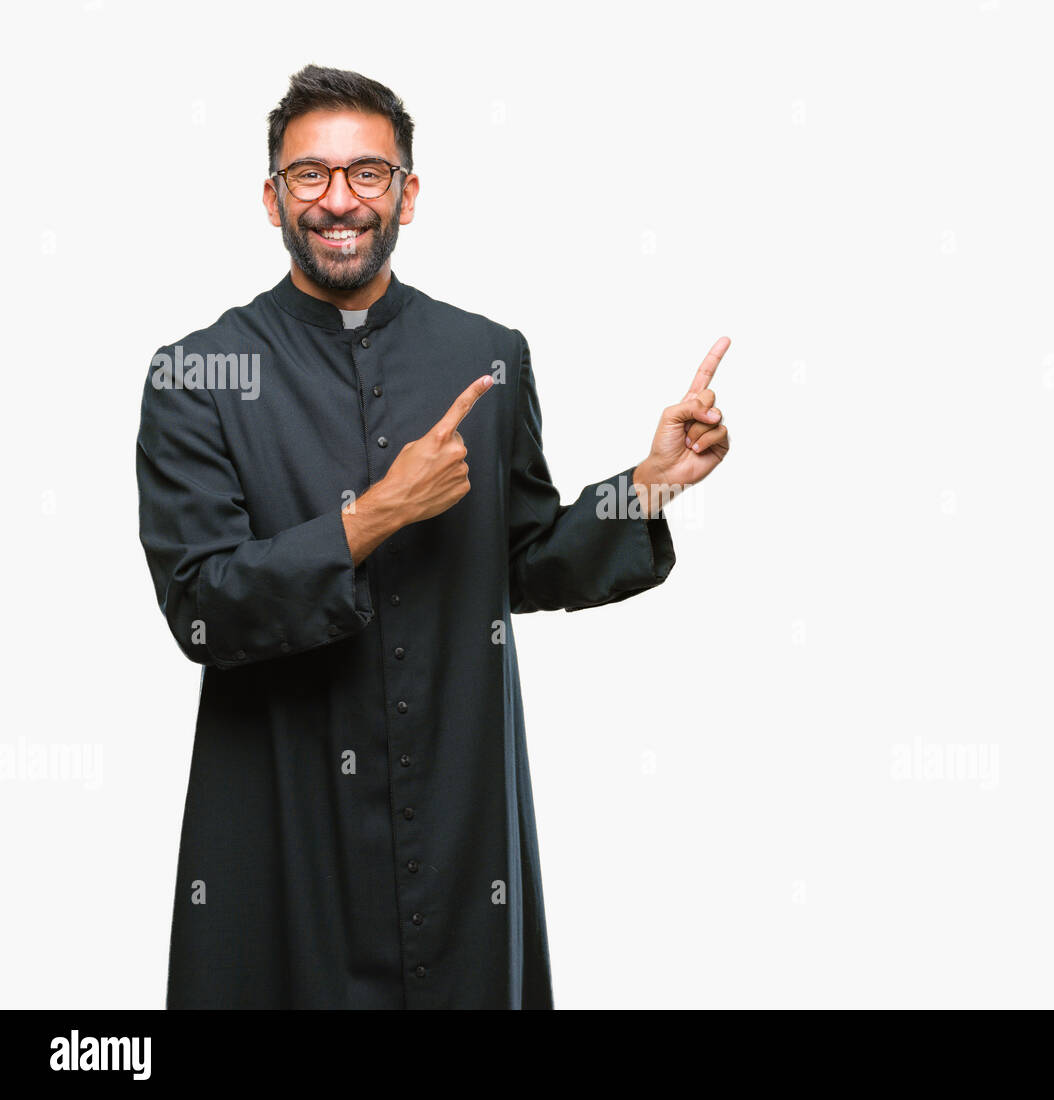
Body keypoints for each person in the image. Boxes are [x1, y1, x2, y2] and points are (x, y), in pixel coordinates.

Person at [135, 64, 731, 1008]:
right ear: (271, 197)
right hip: (289, 837)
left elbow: (526, 560)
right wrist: (376, 517)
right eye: (310, 176)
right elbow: (203, 607)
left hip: (458, 832)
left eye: (369, 174)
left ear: (408, 194)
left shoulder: (485, 354)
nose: (339, 201)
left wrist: (646, 489)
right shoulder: (198, 375)